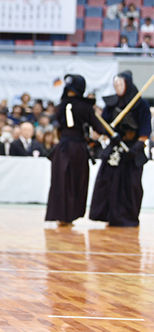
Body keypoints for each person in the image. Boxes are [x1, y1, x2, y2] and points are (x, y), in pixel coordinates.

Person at [89, 71, 151, 227]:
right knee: (108, 181)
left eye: (120, 84)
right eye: (115, 84)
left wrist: (138, 145)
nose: (117, 87)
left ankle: (128, 217)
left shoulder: (141, 104)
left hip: (132, 149)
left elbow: (145, 128)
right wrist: (110, 134)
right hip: (115, 145)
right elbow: (105, 125)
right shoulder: (112, 103)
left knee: (131, 185)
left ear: (127, 85)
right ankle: (109, 215)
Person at [44, 75, 105, 226]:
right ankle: (70, 214)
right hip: (77, 149)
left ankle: (60, 215)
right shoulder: (85, 107)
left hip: (62, 149)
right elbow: (99, 128)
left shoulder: (62, 105)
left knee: (61, 181)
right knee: (76, 181)